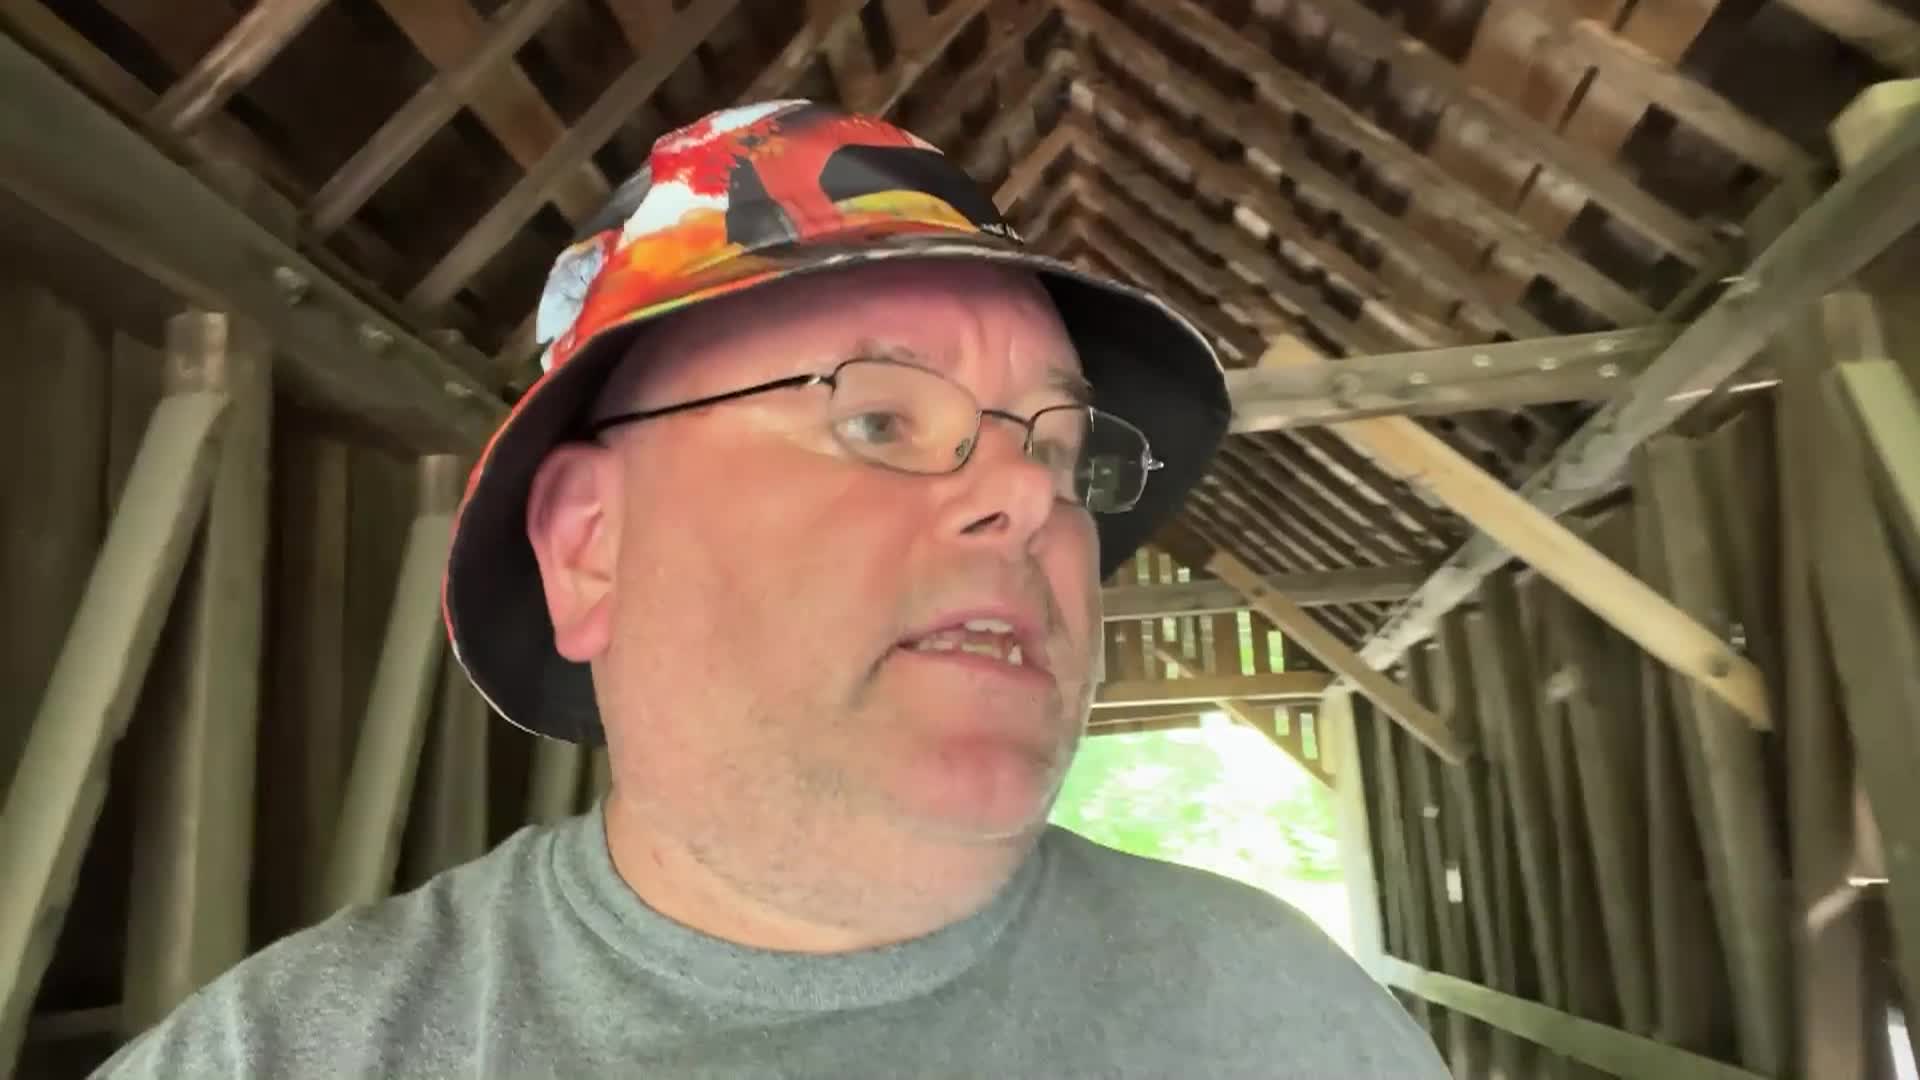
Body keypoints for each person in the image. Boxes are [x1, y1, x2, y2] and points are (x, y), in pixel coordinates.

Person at [97, 101, 1444, 1078]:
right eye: (877, 421)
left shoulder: (1290, 1017)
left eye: (1060, 446)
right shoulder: (272, 1060)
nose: (1032, 495)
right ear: (589, 548)